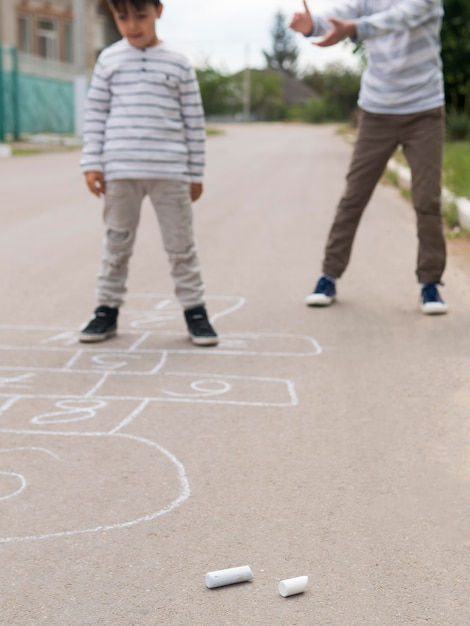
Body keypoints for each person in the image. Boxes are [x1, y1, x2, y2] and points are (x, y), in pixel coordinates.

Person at [290, 0, 448, 315]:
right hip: (376, 111)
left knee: (426, 200)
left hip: (424, 110)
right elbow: (343, 16)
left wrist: (355, 29)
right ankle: (329, 276)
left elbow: (398, 19)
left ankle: (430, 284)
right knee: (353, 198)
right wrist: (313, 25)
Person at [79, 0, 218, 345]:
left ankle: (195, 311)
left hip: (169, 170)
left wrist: (195, 173)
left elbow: (193, 122)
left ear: (158, 11)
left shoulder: (179, 63)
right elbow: (95, 114)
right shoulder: (109, 60)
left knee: (180, 245)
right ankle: (106, 310)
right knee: (117, 242)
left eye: (140, 15)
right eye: (122, 17)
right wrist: (92, 163)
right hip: (120, 169)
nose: (132, 25)